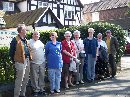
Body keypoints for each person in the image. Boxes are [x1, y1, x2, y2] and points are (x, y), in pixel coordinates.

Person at [9, 24, 32, 97]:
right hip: (20, 62)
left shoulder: (25, 39)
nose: (26, 30)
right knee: (19, 80)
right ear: (21, 31)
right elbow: (11, 52)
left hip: (27, 60)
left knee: (25, 79)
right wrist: (15, 61)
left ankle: (22, 94)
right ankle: (16, 95)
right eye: (25, 29)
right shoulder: (15, 40)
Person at [29, 31, 46, 96]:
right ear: (32, 35)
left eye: (37, 34)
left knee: (42, 76)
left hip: (42, 62)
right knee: (34, 77)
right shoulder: (29, 42)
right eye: (35, 34)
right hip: (34, 62)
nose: (36, 35)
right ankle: (35, 90)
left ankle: (41, 88)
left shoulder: (40, 42)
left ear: (39, 36)